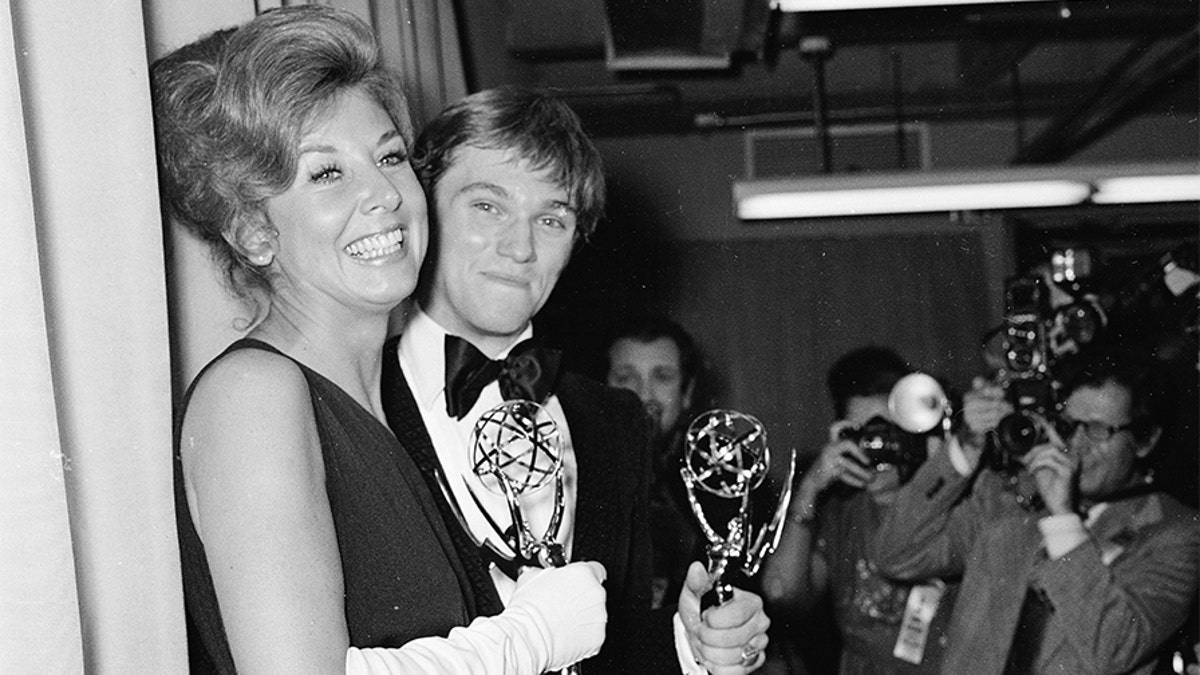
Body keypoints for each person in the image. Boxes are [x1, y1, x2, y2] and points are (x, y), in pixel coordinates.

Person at [156, 7, 606, 673]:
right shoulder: (256, 393)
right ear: (254, 231)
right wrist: (531, 635)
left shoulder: (376, 413)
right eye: (327, 172)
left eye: (390, 156)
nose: (385, 195)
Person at [382, 85, 771, 674]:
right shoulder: (353, 399)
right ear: (423, 206)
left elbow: (619, 648)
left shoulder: (615, 423)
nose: (520, 247)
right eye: (487, 206)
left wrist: (692, 647)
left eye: (551, 218)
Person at [872, 346, 1200, 674]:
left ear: (1146, 440)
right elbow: (897, 554)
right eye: (1071, 425)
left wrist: (1063, 520)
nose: (1078, 446)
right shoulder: (1008, 496)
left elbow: (1113, 648)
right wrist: (966, 446)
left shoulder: (1176, 533)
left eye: (1099, 430)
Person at [761, 346, 957, 674]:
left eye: (890, 431)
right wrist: (810, 488)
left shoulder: (945, 500)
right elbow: (780, 593)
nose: (878, 447)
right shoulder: (843, 515)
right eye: (865, 433)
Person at [605, 315, 707, 609]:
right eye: (626, 378)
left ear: (687, 392)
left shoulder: (712, 483)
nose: (644, 395)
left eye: (661, 377)